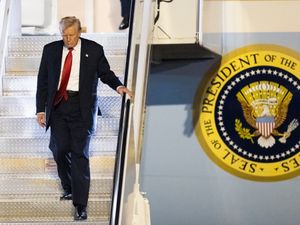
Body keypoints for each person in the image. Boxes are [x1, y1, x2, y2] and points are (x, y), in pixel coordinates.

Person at [36, 16, 133, 221]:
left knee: (80, 154)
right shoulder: (50, 50)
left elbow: (105, 74)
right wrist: (40, 110)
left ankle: (81, 204)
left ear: (79, 32)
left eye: (71, 35)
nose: (68, 40)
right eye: (64, 35)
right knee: (60, 149)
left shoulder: (94, 50)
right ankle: (69, 186)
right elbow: (43, 82)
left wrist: (119, 86)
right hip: (59, 106)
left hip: (82, 107)